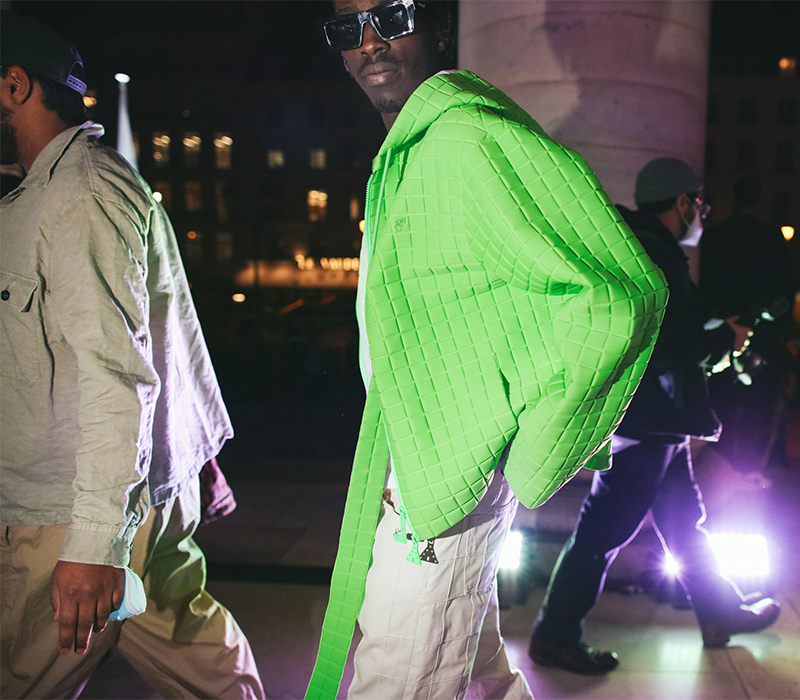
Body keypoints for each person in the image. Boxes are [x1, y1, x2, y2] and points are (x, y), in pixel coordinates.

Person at [304, 1, 668, 698]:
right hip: (420, 461)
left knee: (395, 682)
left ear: (439, 27)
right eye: (348, 29)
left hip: (446, 481)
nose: (371, 41)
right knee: (479, 678)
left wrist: (531, 448)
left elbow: (620, 293)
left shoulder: (468, 137)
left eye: (392, 15)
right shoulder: (415, 150)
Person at [0, 13, 264, 699]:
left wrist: (92, 545)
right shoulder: (70, 188)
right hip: (132, 494)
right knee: (193, 648)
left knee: (21, 680)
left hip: (70, 510)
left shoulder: (79, 193)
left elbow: (115, 370)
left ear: (15, 86)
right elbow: (156, 341)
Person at [528, 157, 782, 675]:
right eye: (701, 204)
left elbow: (669, 325)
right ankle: (554, 636)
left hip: (653, 417)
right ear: (684, 202)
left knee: (684, 521)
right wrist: (724, 338)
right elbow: (669, 344)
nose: (704, 214)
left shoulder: (643, 245)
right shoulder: (655, 252)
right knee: (603, 529)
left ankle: (718, 612)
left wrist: (714, 325)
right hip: (647, 417)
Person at [700, 175, 797, 472]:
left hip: (722, 328)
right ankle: (749, 468)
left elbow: (705, 286)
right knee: (757, 407)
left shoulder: (716, 236)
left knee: (721, 402)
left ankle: (720, 464)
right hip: (761, 334)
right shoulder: (771, 237)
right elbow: (785, 289)